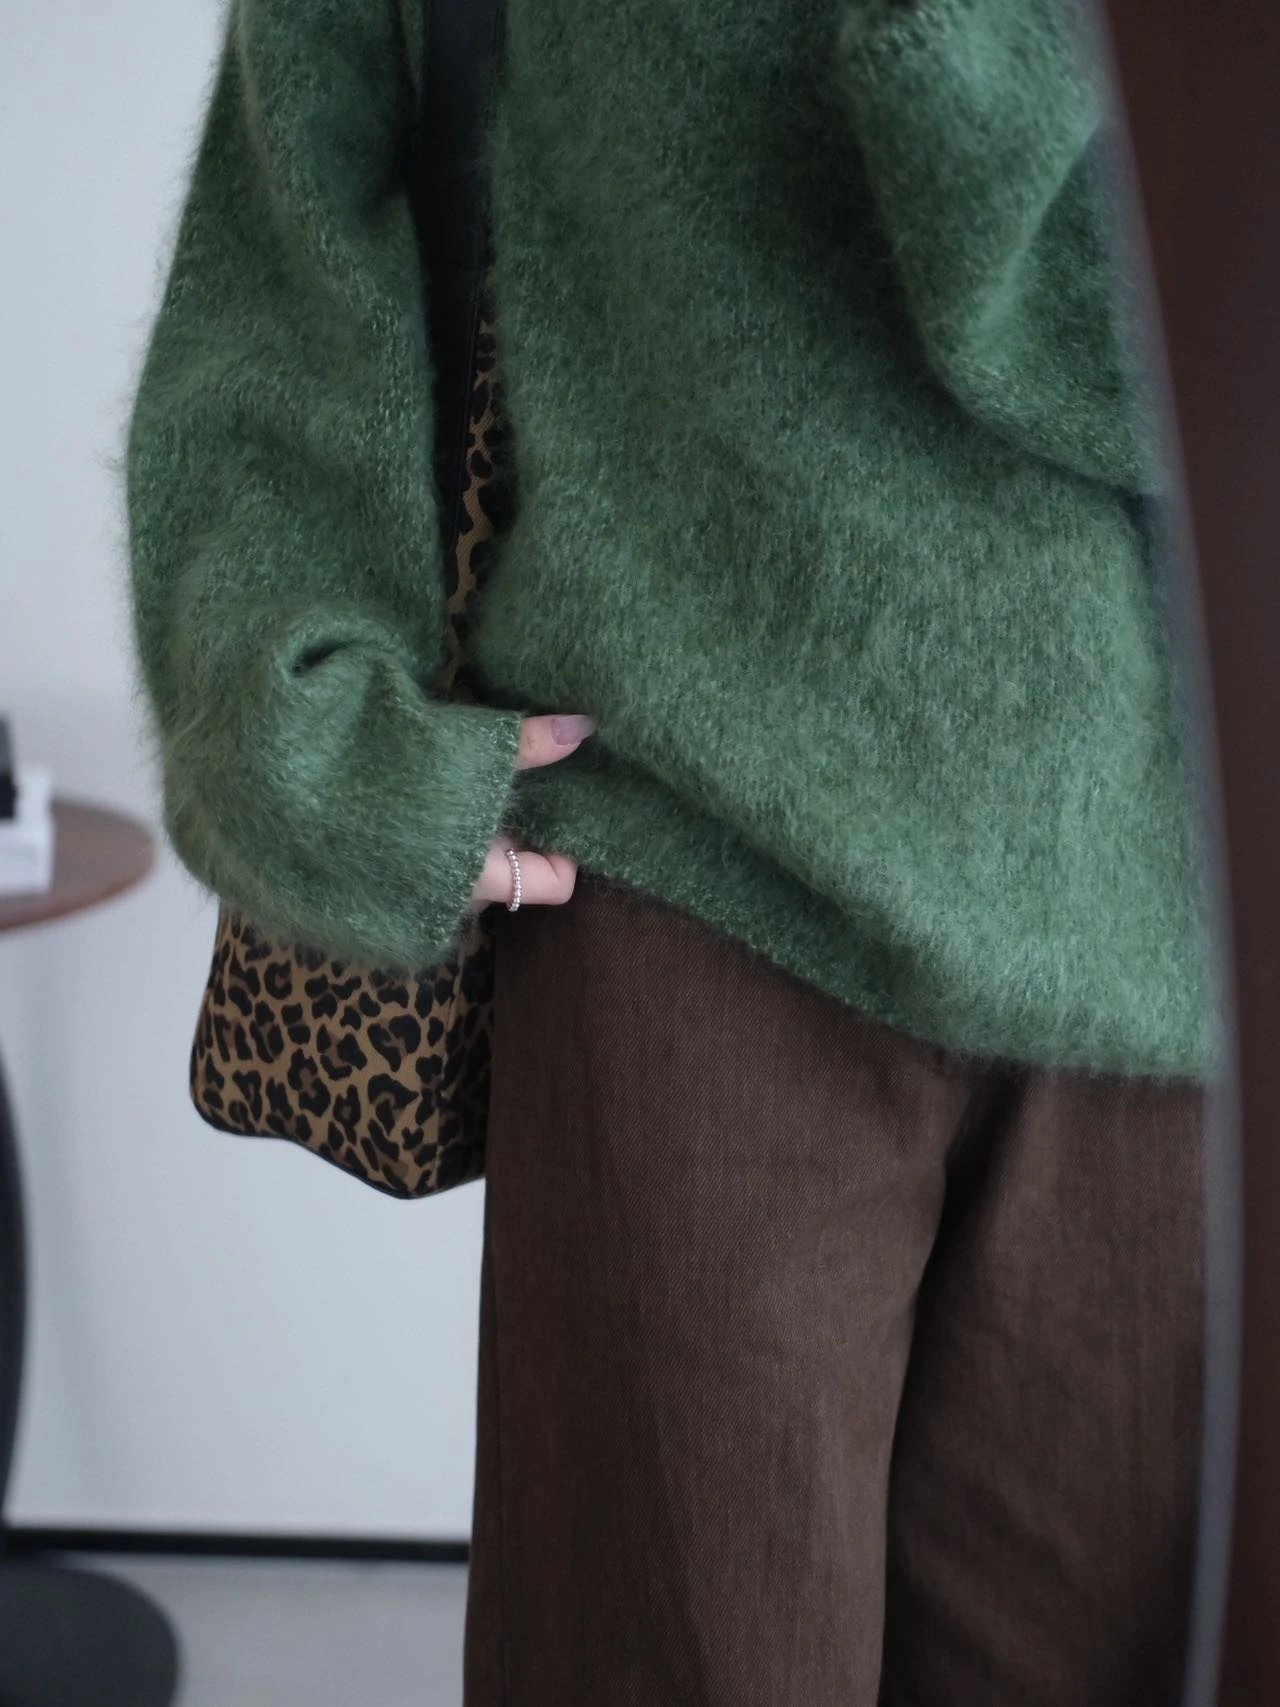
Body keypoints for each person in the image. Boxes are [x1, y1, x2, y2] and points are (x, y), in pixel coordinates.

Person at [124, 0, 1223, 1701]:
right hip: (688, 887)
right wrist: (311, 726)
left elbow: (1178, 353)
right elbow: (298, 232)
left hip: (1169, 937)